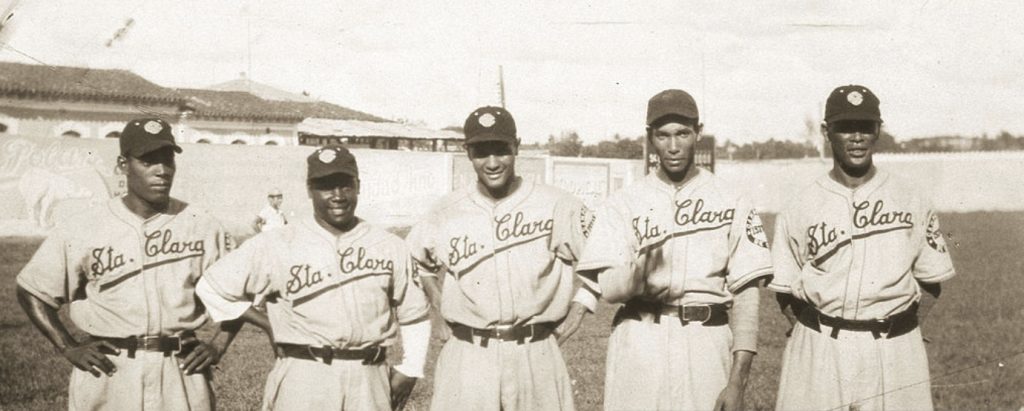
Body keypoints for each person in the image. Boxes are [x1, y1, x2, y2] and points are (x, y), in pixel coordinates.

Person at [16, 117, 237, 411]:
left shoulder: (202, 224)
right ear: (123, 165)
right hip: (110, 370)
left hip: (180, 368)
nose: (162, 171)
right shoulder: (84, 226)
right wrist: (68, 346)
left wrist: (218, 344)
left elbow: (241, 291)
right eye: (148, 161)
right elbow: (32, 289)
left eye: (167, 160)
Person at [576, 89, 773, 411]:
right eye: (663, 135)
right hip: (640, 339)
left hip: (706, 340)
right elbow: (609, 287)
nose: (673, 146)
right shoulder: (624, 202)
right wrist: (636, 277)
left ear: (698, 132)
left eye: (682, 133)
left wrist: (738, 381)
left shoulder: (732, 199)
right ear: (649, 138)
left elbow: (747, 296)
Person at [195, 144, 432, 410]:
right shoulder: (277, 243)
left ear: (358, 186)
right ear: (310, 190)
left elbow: (414, 313)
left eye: (345, 185)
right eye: (326, 186)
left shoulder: (389, 245)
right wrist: (267, 324)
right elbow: (211, 287)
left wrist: (412, 368)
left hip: (369, 375)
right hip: (305, 375)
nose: (338, 195)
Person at [768, 85, 955, 410]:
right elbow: (785, 289)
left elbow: (931, 281)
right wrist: (819, 333)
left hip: (894, 349)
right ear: (827, 131)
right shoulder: (801, 203)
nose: (856, 137)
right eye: (845, 127)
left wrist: (900, 330)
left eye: (865, 127)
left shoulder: (910, 198)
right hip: (820, 347)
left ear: (878, 130)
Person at [405, 106, 597, 411]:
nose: (492, 162)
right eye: (481, 152)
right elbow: (414, 261)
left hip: (536, 352)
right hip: (468, 355)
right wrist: (438, 302)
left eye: (501, 150)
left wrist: (580, 307)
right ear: (468, 152)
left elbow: (607, 254)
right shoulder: (445, 211)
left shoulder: (557, 204)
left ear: (516, 147)